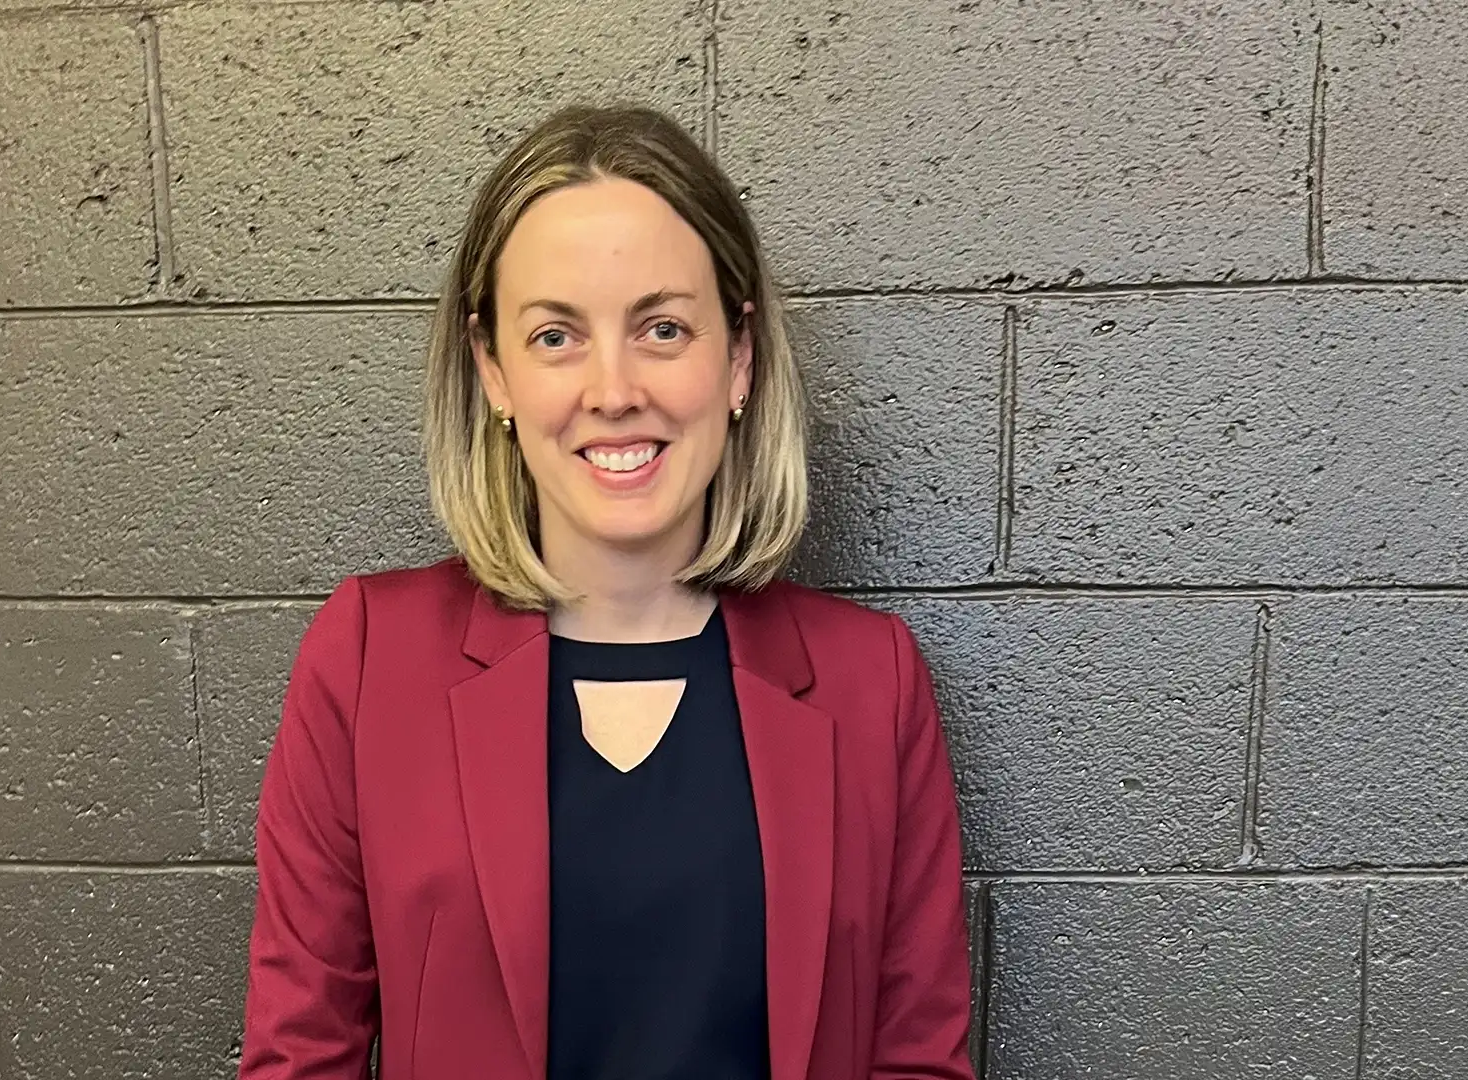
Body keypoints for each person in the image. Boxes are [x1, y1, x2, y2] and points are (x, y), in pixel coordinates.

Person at [239, 104, 975, 1080]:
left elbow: (918, 1058)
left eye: (662, 327)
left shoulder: (869, 683)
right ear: (492, 369)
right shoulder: (370, 660)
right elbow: (300, 1055)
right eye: (555, 337)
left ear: (739, 358)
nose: (613, 387)